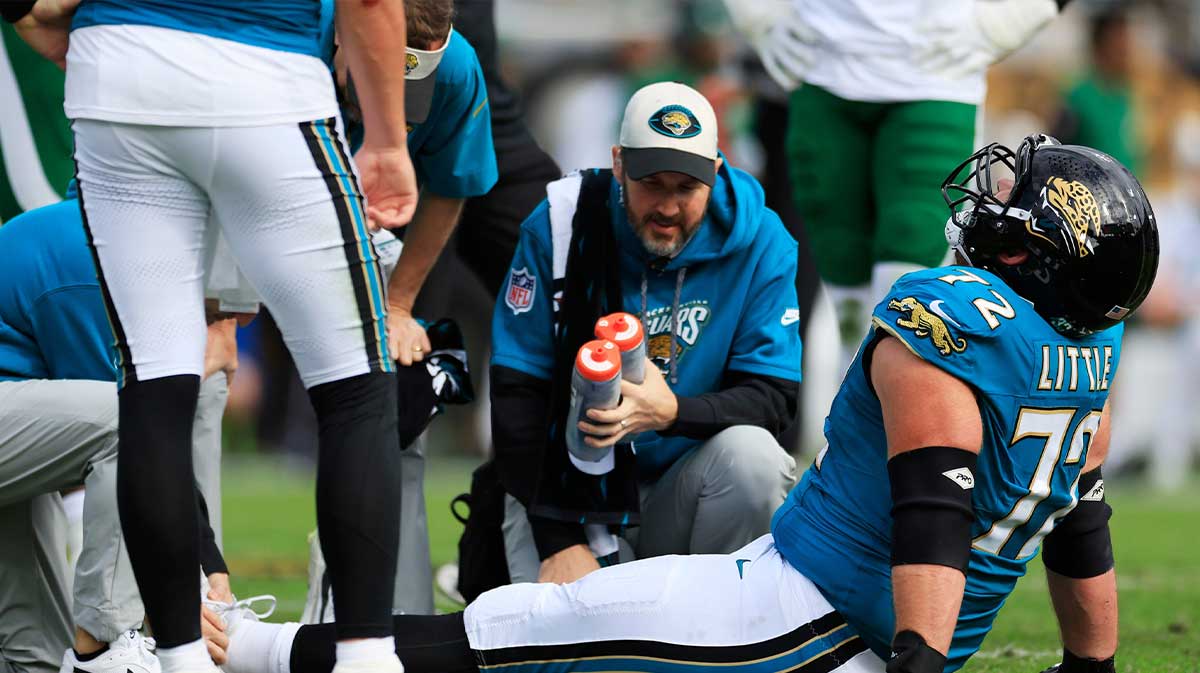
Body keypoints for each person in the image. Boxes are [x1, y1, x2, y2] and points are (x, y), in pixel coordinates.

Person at [211, 134, 1158, 673]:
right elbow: (1083, 527)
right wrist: (1091, 670)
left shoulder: (953, 326)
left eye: (1008, 212)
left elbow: (933, 521)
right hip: (832, 612)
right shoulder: (1089, 347)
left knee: (523, 630)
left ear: (1041, 255)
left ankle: (246, 652)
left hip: (802, 618)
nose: (983, 214)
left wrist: (913, 659)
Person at [9, 1, 418, 673]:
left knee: (155, 385)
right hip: (264, 68)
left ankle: (178, 659)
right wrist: (386, 138)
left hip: (118, 73)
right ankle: (367, 658)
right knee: (357, 386)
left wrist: (35, 16)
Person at [492, 81, 801, 585]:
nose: (668, 207)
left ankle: (722, 624)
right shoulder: (563, 224)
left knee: (754, 458)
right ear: (619, 164)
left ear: (716, 172)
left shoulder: (762, 240)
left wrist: (671, 412)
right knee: (578, 658)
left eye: (686, 188)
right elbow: (515, 395)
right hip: (566, 494)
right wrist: (559, 542)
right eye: (651, 183)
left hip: (686, 489)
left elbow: (773, 397)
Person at [723, 0, 1070, 363]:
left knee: (908, 291)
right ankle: (860, 408)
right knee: (845, 288)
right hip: (822, 65)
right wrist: (757, 12)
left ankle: (893, 406)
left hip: (934, 73)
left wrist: (1030, 9)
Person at [296, 0, 498, 619]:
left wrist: (398, 303)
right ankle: (195, 601)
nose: (387, 116)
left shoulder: (457, 69)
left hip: (363, 218)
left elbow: (449, 186)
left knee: (399, 382)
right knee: (195, 377)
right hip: (245, 205)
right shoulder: (294, 34)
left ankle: (392, 614)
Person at [0, 186, 236, 673]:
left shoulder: (117, 235)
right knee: (130, 421)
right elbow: (140, 438)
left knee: (33, 659)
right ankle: (105, 645)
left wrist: (207, 565)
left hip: (13, 421)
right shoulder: (103, 259)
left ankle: (104, 642)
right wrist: (168, 595)